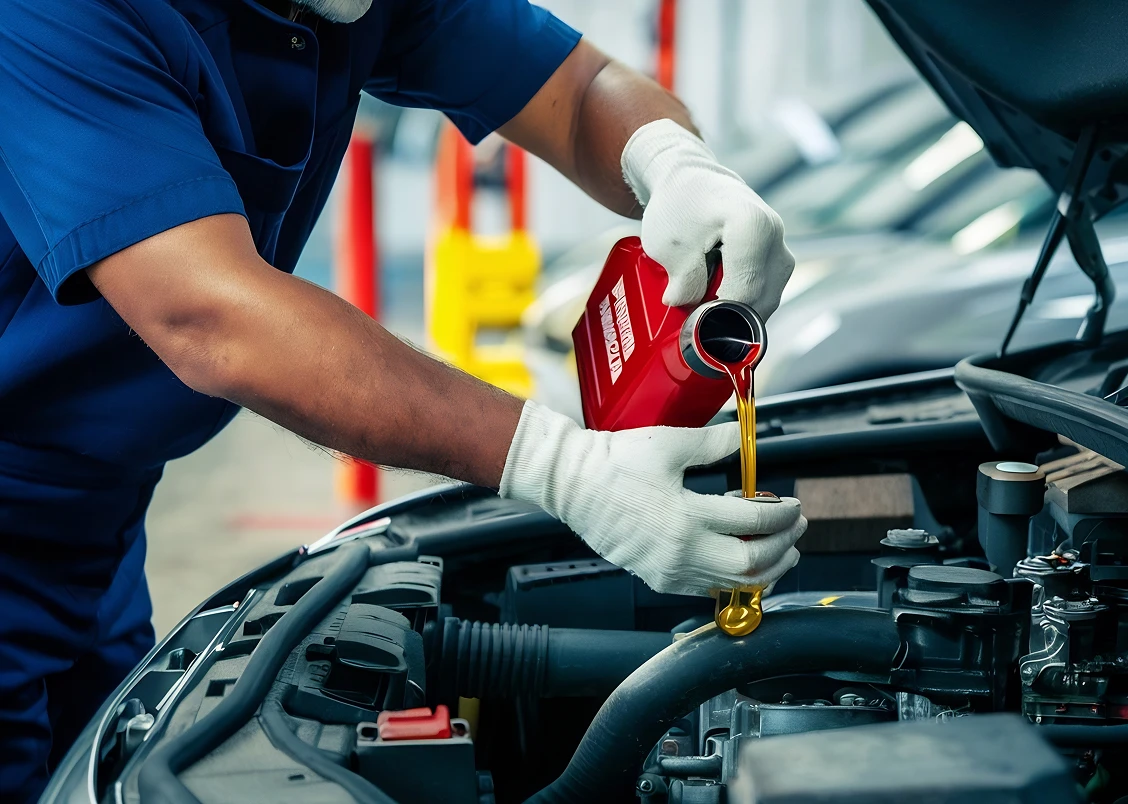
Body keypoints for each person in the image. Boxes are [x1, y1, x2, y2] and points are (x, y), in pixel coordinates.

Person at [0, 0, 805, 798]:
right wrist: (563, 467)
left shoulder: (350, 4)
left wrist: (673, 162)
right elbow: (211, 316)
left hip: (96, 521)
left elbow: (583, 86)